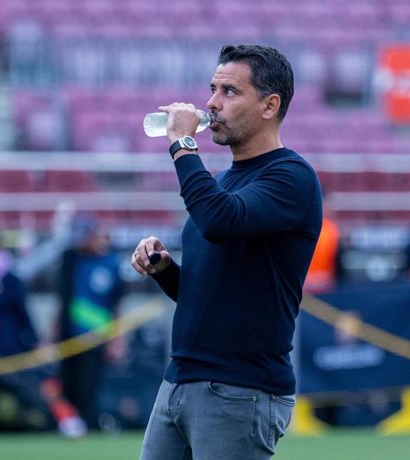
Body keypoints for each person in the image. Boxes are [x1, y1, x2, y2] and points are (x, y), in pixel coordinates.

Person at [130, 44, 322, 459]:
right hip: (180, 380)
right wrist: (164, 269)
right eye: (212, 89)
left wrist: (182, 142)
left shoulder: (291, 176)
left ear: (270, 105)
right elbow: (206, 291)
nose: (212, 104)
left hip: (240, 390)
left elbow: (220, 222)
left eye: (229, 92)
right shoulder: (221, 182)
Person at [56, 214, 126, 432]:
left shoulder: (112, 264)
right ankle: (71, 423)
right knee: (67, 383)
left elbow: (116, 306)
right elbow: (64, 301)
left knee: (89, 385)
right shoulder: (74, 261)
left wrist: (116, 339)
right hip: (71, 336)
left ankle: (89, 425)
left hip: (96, 337)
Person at [304, 191, 342, 294]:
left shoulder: (332, 228)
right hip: (303, 284)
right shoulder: (304, 226)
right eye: (328, 203)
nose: (331, 208)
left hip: (326, 284)